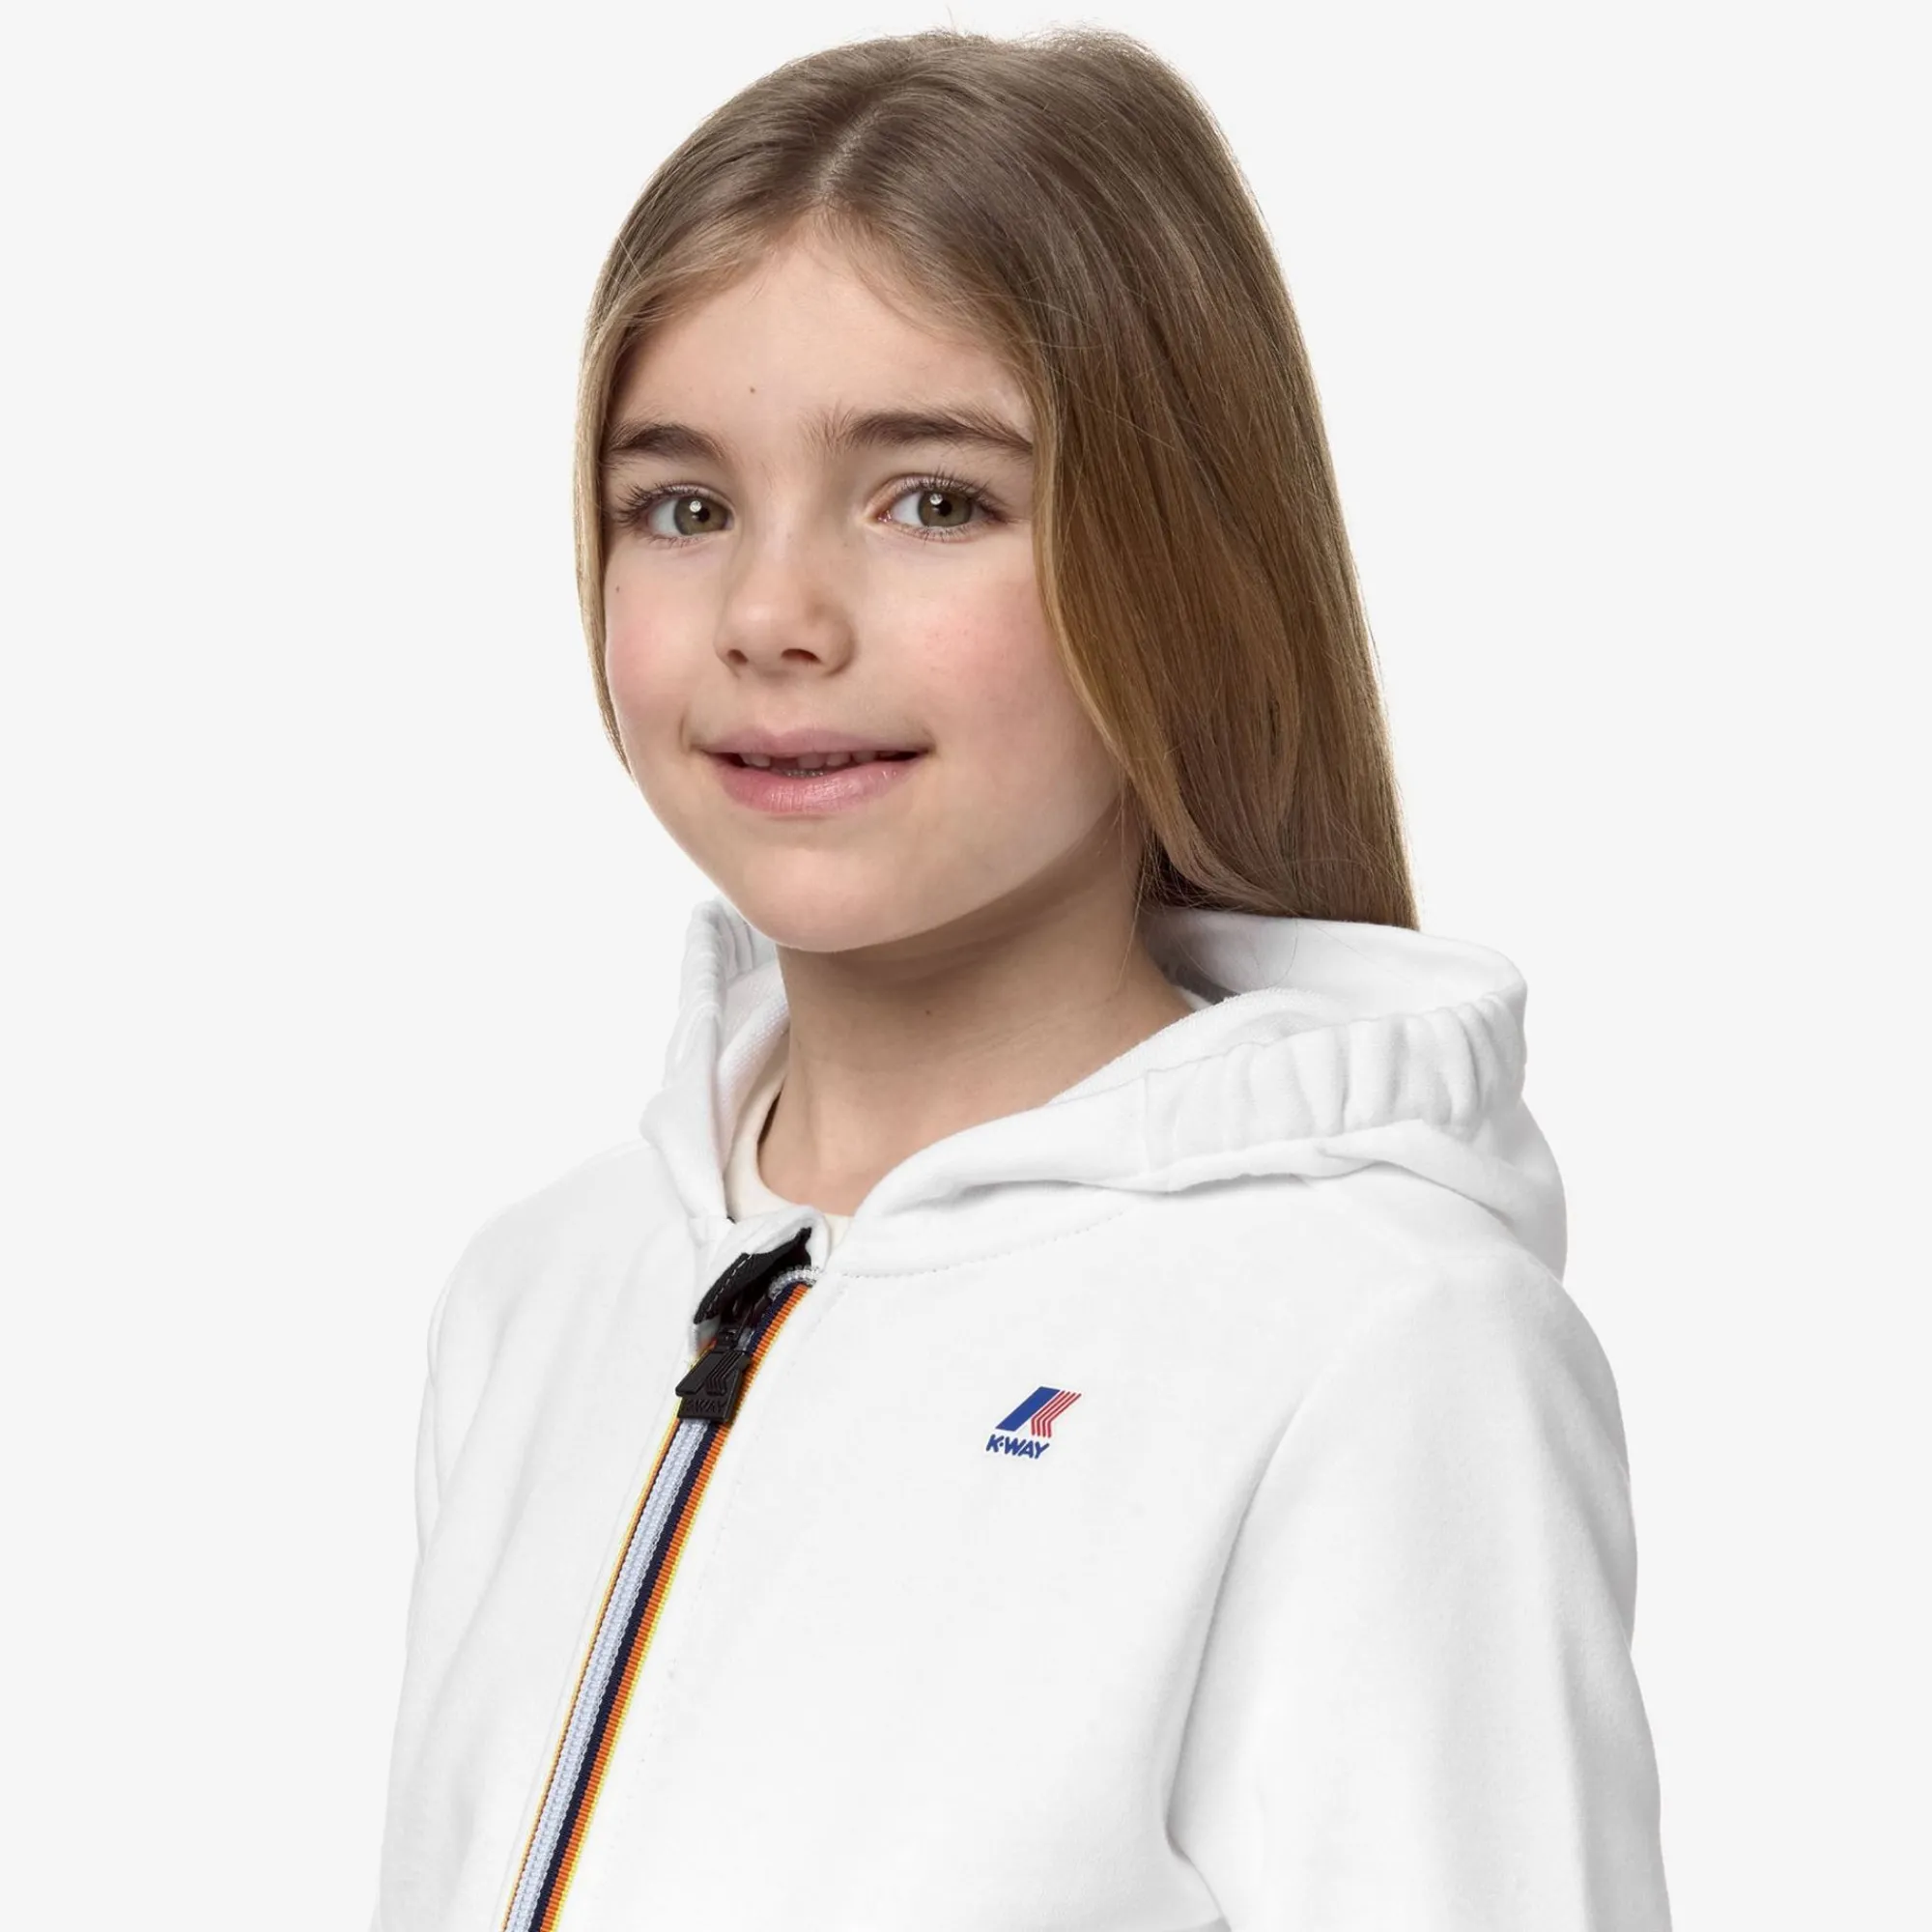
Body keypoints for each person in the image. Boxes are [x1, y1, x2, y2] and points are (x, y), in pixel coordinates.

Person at [367, 24, 1672, 1932]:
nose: (771, 617)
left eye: (934, 500)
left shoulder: (1380, 1343)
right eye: (685, 505)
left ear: (1182, 566)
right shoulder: (542, 1294)